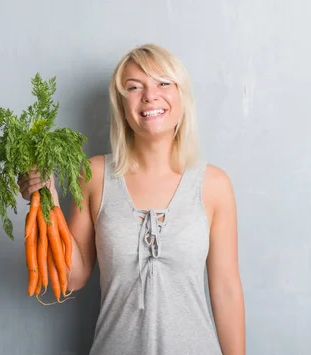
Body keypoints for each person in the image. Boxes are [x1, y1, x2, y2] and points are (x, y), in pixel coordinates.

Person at [18, 43, 245, 355]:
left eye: (163, 83)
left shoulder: (214, 184)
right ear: (122, 107)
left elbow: (227, 291)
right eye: (134, 87)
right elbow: (73, 278)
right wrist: (47, 203)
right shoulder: (92, 175)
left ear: (181, 96)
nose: (150, 95)